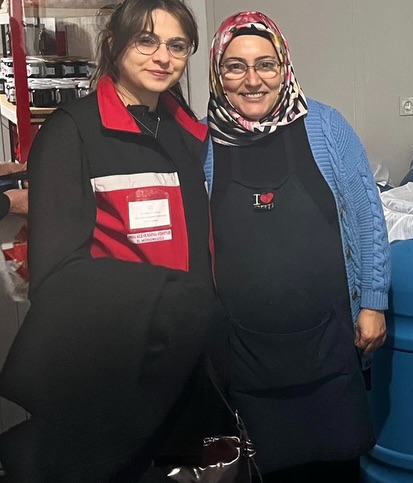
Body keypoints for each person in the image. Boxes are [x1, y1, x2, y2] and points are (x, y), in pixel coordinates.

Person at [0, 0, 227, 480]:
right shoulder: (73, 133)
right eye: (146, 40)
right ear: (113, 44)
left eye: (177, 45)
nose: (162, 57)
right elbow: (56, 275)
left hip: (183, 359)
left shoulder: (187, 132)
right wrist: (173, 300)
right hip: (115, 364)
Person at [206, 11, 390, 481]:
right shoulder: (201, 141)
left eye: (265, 64)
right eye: (235, 66)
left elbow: (368, 215)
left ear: (284, 67)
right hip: (244, 356)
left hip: (330, 346)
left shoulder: (326, 126)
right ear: (217, 73)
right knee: (260, 471)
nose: (253, 80)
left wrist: (373, 301)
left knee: (336, 469)